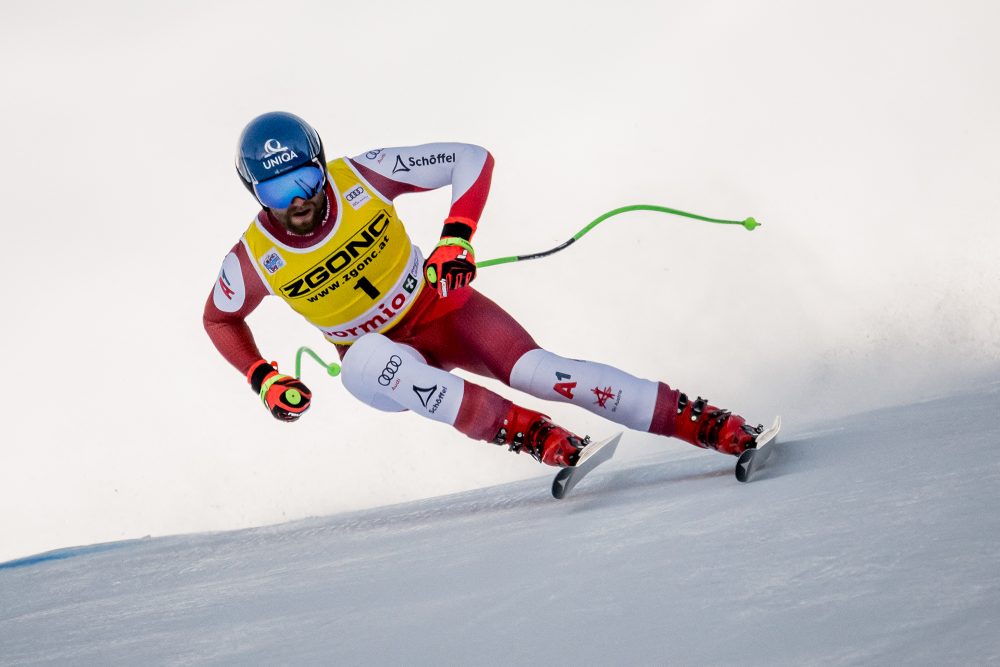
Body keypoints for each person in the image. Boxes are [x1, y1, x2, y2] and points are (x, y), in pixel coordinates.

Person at [204, 111, 764, 468]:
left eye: (303, 178)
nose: (297, 200)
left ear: (322, 166)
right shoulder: (253, 257)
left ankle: (705, 422)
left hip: (440, 309)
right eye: (276, 190)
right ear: (254, 193)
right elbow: (219, 318)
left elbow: (471, 158)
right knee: (369, 358)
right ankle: (529, 434)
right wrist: (263, 377)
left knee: (542, 372)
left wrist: (457, 238)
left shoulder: (362, 176)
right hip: (376, 362)